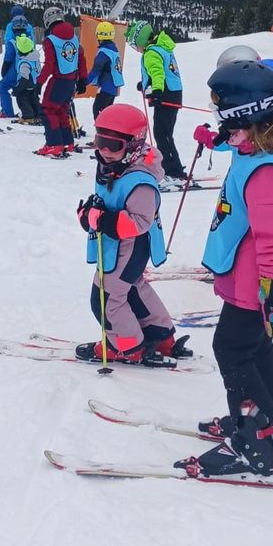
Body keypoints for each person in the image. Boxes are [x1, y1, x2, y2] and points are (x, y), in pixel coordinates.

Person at [189, 59, 273, 478]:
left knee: (230, 348)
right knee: (254, 347)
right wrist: (222, 139)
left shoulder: (266, 169)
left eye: (220, 110)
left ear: (241, 114)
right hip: (253, 275)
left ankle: (254, 437)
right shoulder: (265, 143)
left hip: (260, 280)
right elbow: (244, 144)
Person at [75, 104, 191, 365]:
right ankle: (160, 336)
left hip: (130, 246)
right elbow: (107, 199)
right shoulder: (116, 166)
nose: (104, 151)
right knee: (132, 288)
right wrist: (89, 213)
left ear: (133, 145)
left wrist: (103, 220)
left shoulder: (140, 179)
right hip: (120, 247)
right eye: (99, 142)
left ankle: (125, 346)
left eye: (113, 145)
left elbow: (140, 221)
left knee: (105, 298)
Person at [125, 20, 187, 186]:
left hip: (166, 95)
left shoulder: (151, 52)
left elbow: (158, 73)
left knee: (162, 134)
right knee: (164, 133)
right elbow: (163, 72)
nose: (136, 49)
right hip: (173, 93)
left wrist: (157, 91)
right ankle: (173, 167)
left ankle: (174, 173)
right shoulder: (162, 48)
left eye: (134, 44)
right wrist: (145, 84)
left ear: (141, 40)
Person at [35, 7, 88, 157]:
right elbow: (81, 59)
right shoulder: (74, 37)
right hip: (72, 81)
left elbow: (49, 64)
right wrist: (83, 79)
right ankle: (67, 142)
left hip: (58, 80)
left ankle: (54, 145)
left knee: (47, 110)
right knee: (61, 111)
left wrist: (39, 83)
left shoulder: (50, 40)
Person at [0, 11, 35, 118]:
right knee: (29, 93)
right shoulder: (30, 41)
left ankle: (7, 112)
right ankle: (34, 112)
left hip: (15, 71)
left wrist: (4, 70)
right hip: (29, 73)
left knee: (2, 87)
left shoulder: (12, 41)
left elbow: (8, 58)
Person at [85, 20, 125, 119]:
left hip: (106, 86)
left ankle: (102, 130)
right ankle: (108, 131)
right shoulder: (114, 50)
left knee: (98, 109)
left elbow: (96, 70)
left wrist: (83, 82)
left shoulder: (104, 52)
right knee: (107, 112)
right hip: (113, 88)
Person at [11, 33, 43, 122]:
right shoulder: (35, 57)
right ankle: (39, 114)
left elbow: (24, 78)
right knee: (34, 100)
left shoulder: (24, 63)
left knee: (22, 99)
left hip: (26, 85)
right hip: (35, 84)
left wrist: (17, 90)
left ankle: (28, 116)